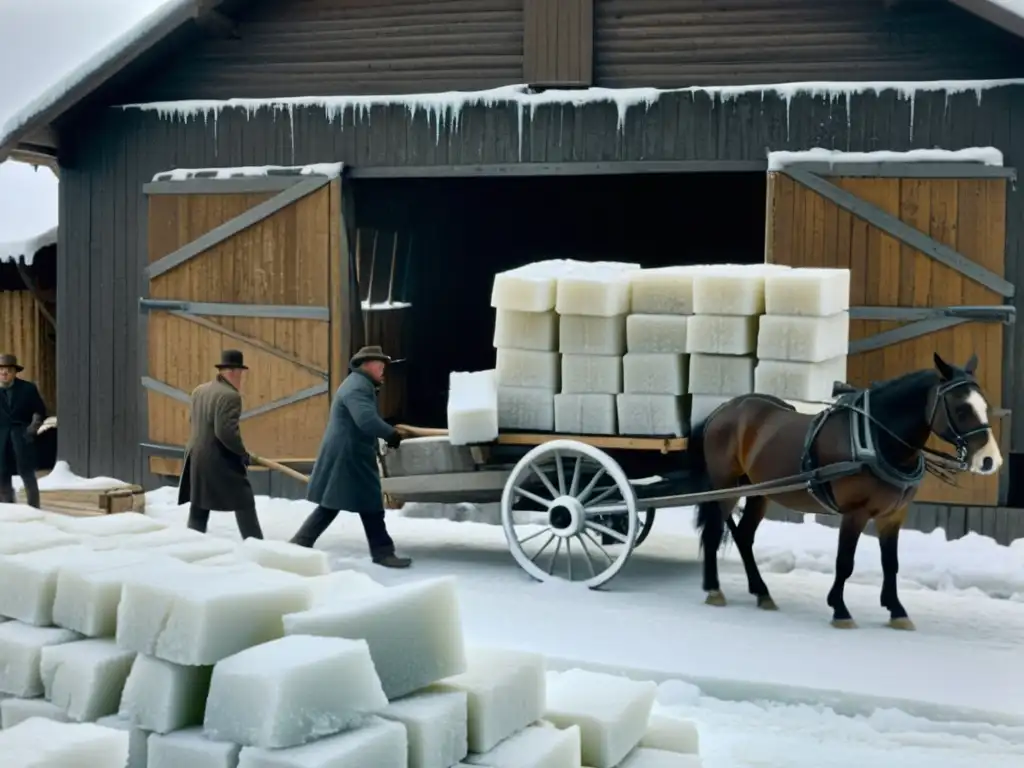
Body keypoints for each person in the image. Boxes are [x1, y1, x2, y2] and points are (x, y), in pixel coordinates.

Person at [291, 345, 411, 568]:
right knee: (368, 504)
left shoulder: (359, 384)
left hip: (349, 453)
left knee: (335, 504)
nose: (383, 369)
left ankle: (300, 543)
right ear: (367, 365)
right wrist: (391, 434)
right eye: (380, 365)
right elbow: (365, 419)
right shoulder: (358, 387)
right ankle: (383, 553)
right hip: (350, 455)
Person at [178, 349, 263, 540]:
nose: (242, 379)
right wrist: (242, 454)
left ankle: (190, 544)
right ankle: (256, 545)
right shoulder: (230, 396)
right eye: (241, 374)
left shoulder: (200, 390)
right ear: (233, 372)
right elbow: (225, 432)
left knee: (199, 505)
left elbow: (192, 420)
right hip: (218, 460)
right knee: (244, 500)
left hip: (196, 457)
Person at [0, 354, 46, 508]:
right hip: (1, 439)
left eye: (8, 370)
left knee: (27, 475)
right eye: (1, 370)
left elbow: (40, 411)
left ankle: (34, 509)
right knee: (2, 476)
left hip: (22, 437)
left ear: (14, 372)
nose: (4, 373)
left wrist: (33, 428)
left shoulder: (28, 389)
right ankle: (8, 510)